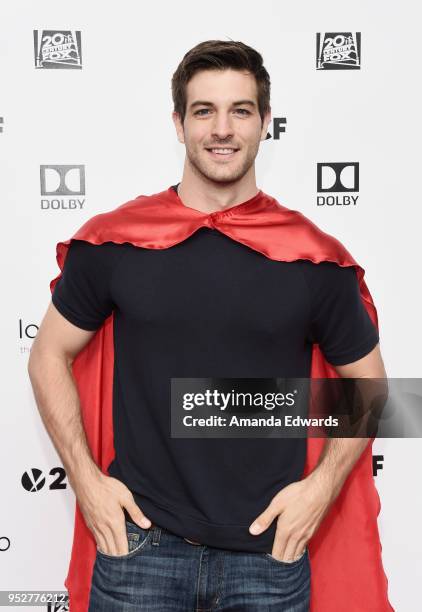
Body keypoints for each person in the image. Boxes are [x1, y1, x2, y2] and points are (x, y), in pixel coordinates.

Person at [28, 40, 393, 611]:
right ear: (179, 124)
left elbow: (369, 385)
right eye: (204, 111)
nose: (222, 129)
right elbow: (47, 354)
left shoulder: (312, 257)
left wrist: (318, 492)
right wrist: (86, 480)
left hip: (269, 562)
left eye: (240, 111)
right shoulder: (117, 242)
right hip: (139, 554)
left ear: (265, 123)